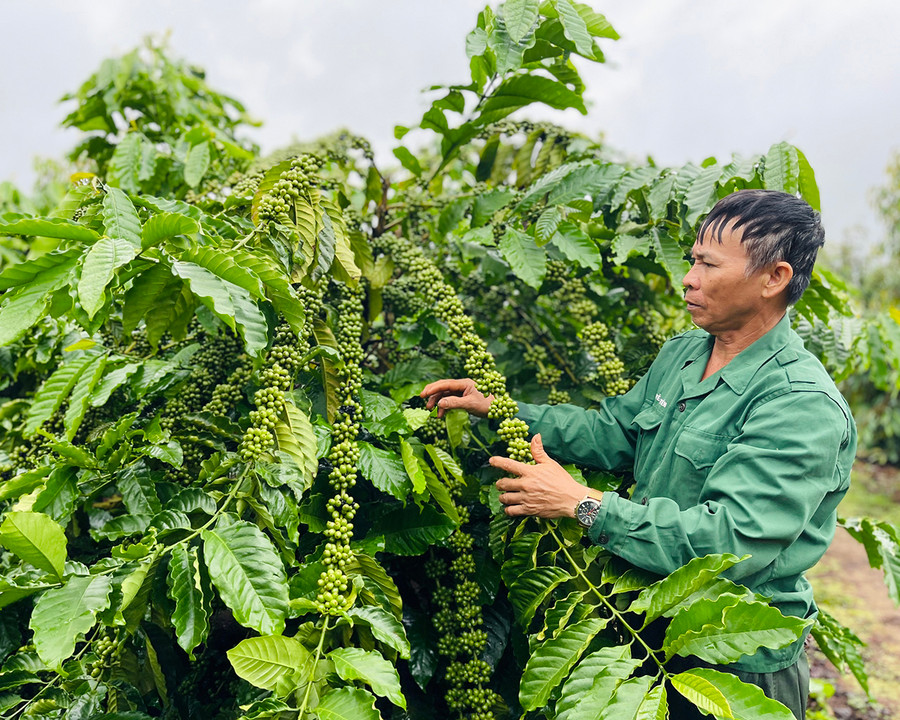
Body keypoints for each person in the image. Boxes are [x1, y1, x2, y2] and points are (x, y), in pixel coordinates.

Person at [420, 189, 856, 719]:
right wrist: (503, 410)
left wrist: (582, 504)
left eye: (707, 264)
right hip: (643, 626)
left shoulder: (799, 404)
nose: (688, 278)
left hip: (735, 659)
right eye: (692, 260)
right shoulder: (685, 353)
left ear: (774, 278)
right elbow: (616, 433)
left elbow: (729, 544)